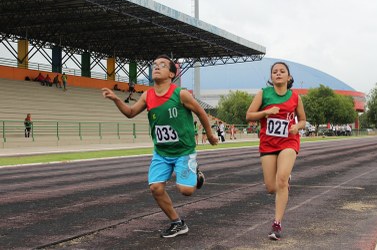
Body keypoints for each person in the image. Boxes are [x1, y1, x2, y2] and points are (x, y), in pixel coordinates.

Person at [102, 54, 218, 238]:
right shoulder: (148, 95)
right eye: (154, 64)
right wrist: (116, 99)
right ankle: (177, 223)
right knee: (155, 188)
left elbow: (201, 111)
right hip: (161, 153)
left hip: (183, 151)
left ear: (172, 74)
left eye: (162, 65)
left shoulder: (180, 94)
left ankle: (195, 174)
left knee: (186, 191)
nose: (156, 67)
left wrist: (210, 134)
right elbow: (131, 113)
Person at [246, 61, 306, 241]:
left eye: (282, 71)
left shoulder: (295, 97)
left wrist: (297, 126)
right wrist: (266, 112)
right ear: (271, 78)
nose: (278, 74)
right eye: (274, 72)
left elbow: (303, 119)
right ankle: (284, 179)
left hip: (289, 141)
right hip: (268, 144)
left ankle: (277, 224)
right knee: (271, 187)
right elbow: (249, 116)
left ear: (289, 77)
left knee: (281, 179)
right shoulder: (263, 94)